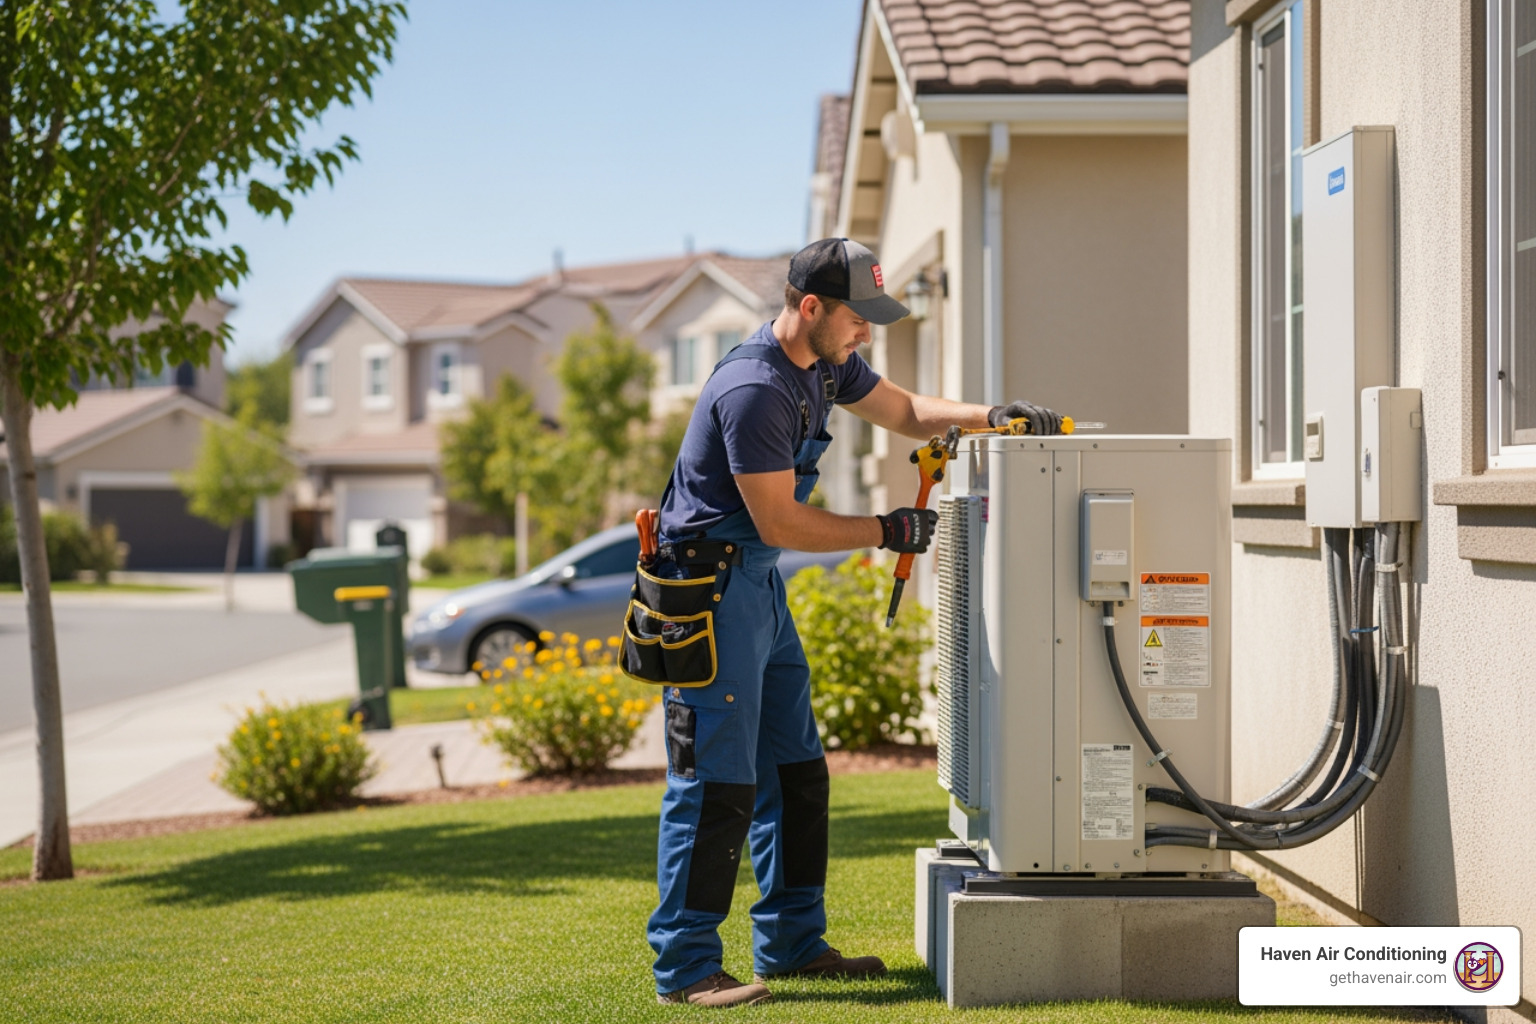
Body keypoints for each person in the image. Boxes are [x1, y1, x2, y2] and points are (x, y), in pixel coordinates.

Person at [645, 237, 1064, 1007]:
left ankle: (794, 945)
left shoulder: (824, 366)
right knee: (716, 784)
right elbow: (777, 520)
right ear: (811, 308)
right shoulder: (754, 389)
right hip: (709, 595)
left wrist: (992, 416)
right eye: (857, 318)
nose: (866, 331)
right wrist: (883, 529)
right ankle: (685, 967)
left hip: (756, 591)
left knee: (797, 774)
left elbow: (903, 411)